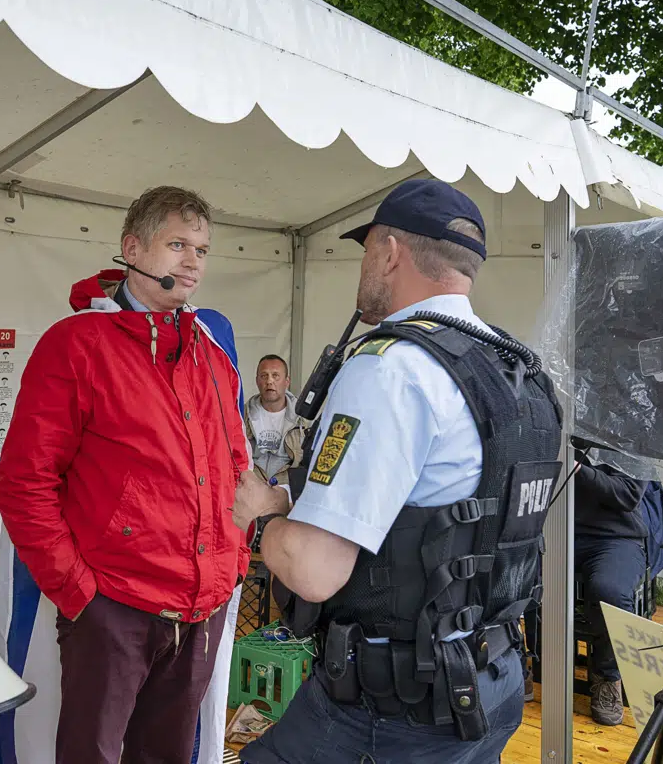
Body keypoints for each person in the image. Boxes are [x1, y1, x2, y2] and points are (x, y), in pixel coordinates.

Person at [234, 179, 563, 764]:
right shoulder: (514, 368)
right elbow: (442, 513)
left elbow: (313, 571)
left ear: (389, 253)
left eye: (366, 252)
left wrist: (260, 518)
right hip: (491, 681)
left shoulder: (390, 369)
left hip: (392, 711)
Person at [0, 186, 270, 764]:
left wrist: (233, 561)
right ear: (133, 248)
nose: (192, 262)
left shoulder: (211, 351)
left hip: (203, 604)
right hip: (113, 606)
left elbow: (235, 467)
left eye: (201, 250)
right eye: (177, 245)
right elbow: (25, 483)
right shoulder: (76, 344)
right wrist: (80, 595)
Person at [572, 449, 650, 726]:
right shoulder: (556, 427)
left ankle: (607, 677)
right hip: (556, 529)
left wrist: (577, 469)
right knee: (516, 570)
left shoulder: (631, 433)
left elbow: (628, 494)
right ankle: (520, 660)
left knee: (609, 591)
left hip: (616, 537)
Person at [243, 355, 304, 484]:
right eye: (264, 376)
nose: (269, 381)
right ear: (257, 381)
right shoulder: (242, 416)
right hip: (251, 487)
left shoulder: (303, 419)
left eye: (275, 375)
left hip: (289, 489)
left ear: (287, 381)